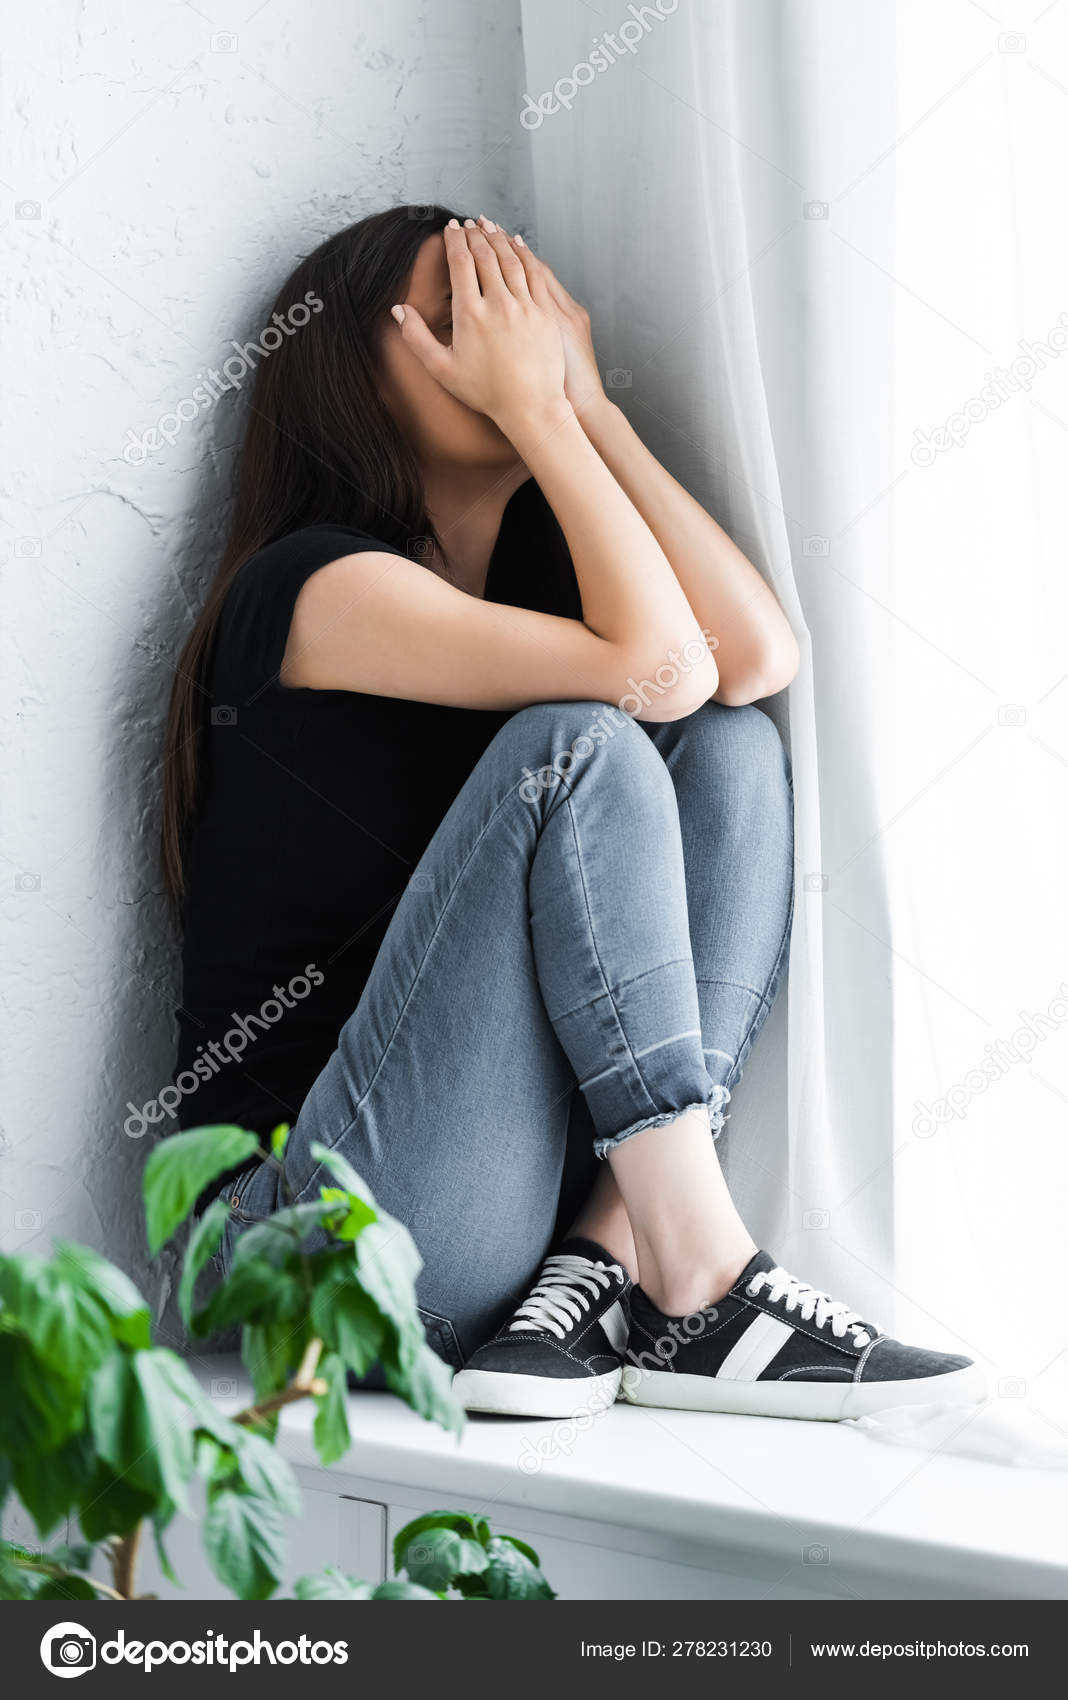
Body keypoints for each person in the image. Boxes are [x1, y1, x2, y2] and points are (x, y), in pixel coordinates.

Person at [162, 206, 983, 1422]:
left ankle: (614, 1264)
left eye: (524, 319)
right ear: (350, 377)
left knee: (730, 753)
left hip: (485, 1224)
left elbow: (749, 658)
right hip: (293, 1234)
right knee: (578, 745)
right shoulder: (318, 587)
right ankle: (701, 1270)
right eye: (457, 323)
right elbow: (652, 672)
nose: (507, 350)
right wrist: (545, 413)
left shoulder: (547, 590)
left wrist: (585, 407)